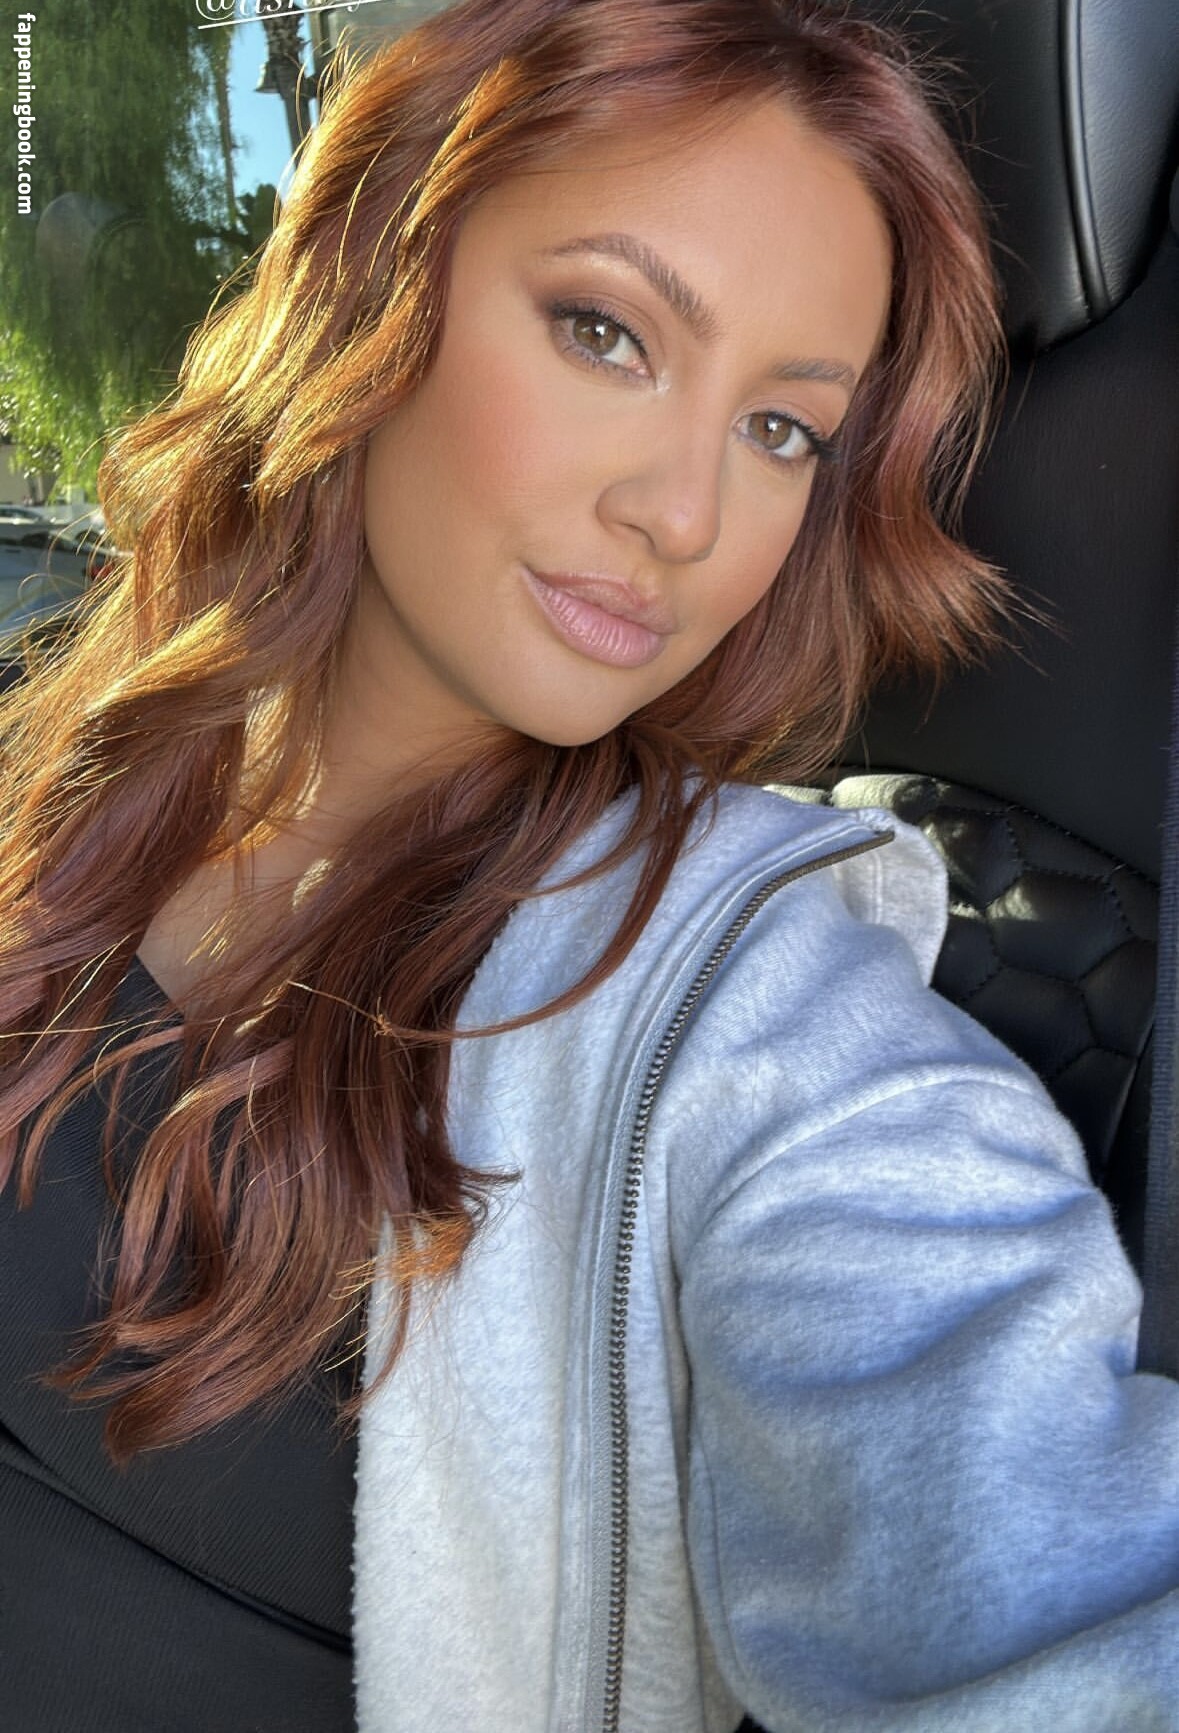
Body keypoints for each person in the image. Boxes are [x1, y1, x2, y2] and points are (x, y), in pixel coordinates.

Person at [1, 1, 1177, 1729]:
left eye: (783, 430)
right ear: (377, 279)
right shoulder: (70, 749)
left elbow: (1054, 1602)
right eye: (608, 332)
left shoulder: (763, 1029)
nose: (685, 516)